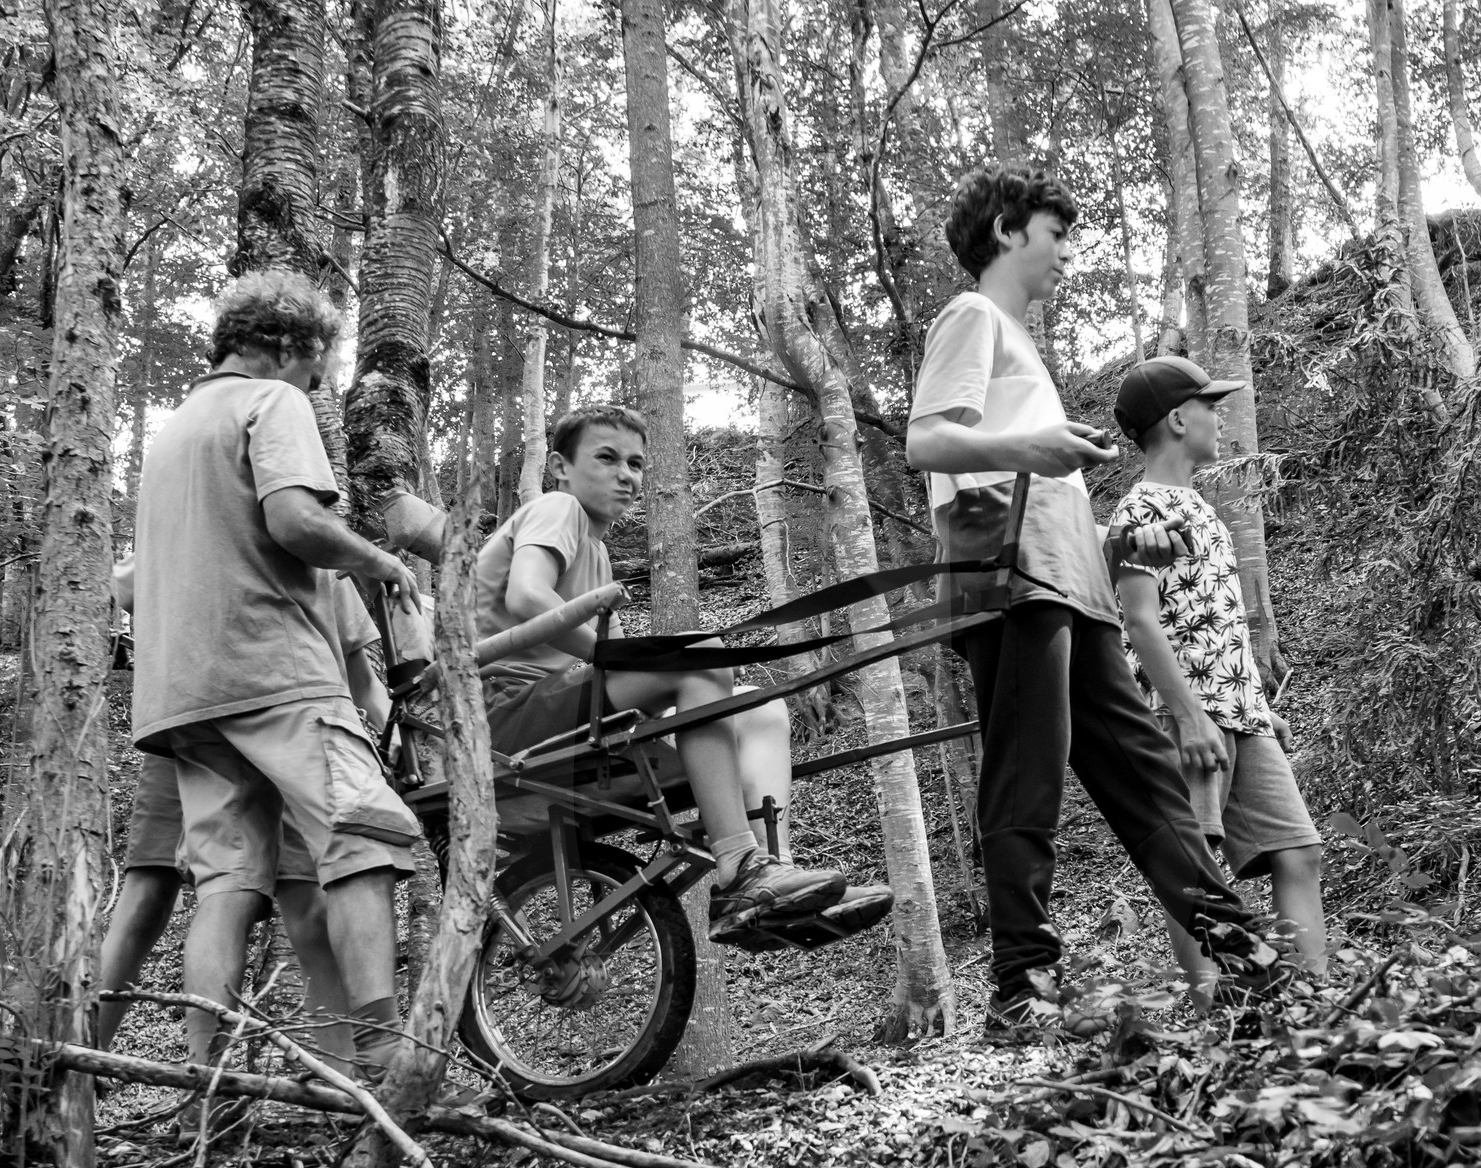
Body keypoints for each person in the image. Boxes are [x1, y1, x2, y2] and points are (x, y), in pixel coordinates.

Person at [905, 165, 1276, 1042]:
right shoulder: (973, 316)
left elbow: (1024, 468)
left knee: (1140, 765)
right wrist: (1032, 444)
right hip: (1006, 573)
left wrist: (1112, 547)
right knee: (1028, 767)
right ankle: (1020, 982)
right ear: (1006, 231)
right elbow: (927, 439)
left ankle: (1243, 949)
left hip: (1072, 577)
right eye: (1056, 232)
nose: (1067, 251)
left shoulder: (1020, 343)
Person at [379, 404, 890, 949]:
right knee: (700, 657)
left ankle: (773, 885)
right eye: (606, 458)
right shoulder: (557, 509)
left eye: (636, 463)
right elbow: (527, 596)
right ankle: (739, 868)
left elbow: (620, 662)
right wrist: (644, 661)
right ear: (558, 466)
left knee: (760, 707)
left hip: (550, 713)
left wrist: (646, 676)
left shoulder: (595, 553)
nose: (625, 474)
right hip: (501, 715)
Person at [131, 269, 425, 1083]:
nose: (319, 384)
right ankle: (382, 1050)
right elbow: (295, 521)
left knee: (228, 883)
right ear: (289, 345)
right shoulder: (273, 402)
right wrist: (378, 562)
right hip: (274, 669)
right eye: (316, 366)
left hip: (181, 694)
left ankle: (206, 1080)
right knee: (364, 836)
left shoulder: (172, 432)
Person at [100, 560, 390, 1074]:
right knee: (151, 895)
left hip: (294, 722)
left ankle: (344, 1080)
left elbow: (361, 678)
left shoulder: (324, 563)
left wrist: (401, 744)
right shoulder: (204, 526)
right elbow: (127, 585)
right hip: (191, 717)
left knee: (308, 901)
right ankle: (83, 1063)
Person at [1108, 356, 1326, 1013]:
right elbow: (1140, 621)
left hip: (1241, 715)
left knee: (1298, 851)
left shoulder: (1199, 508)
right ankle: (1215, 1017)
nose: (1218, 415)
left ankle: (1313, 1002)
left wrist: (1258, 706)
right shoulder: (1142, 511)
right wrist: (1189, 715)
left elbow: (1214, 620)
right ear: (1177, 419)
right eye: (1208, 404)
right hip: (1188, 719)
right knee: (1192, 870)